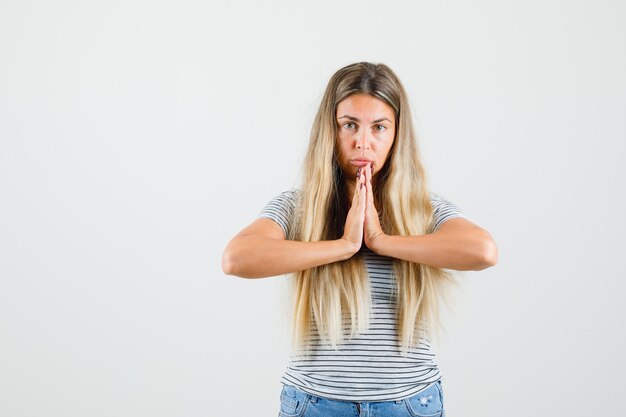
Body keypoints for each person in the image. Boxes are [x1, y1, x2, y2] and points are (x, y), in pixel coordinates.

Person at [222, 62, 498, 417]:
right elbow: (237, 258)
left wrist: (381, 240)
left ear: (397, 135)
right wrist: (344, 246)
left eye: (379, 127)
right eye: (349, 125)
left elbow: (483, 251)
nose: (362, 142)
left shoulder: (423, 209)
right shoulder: (298, 207)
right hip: (316, 404)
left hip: (410, 404)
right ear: (330, 130)